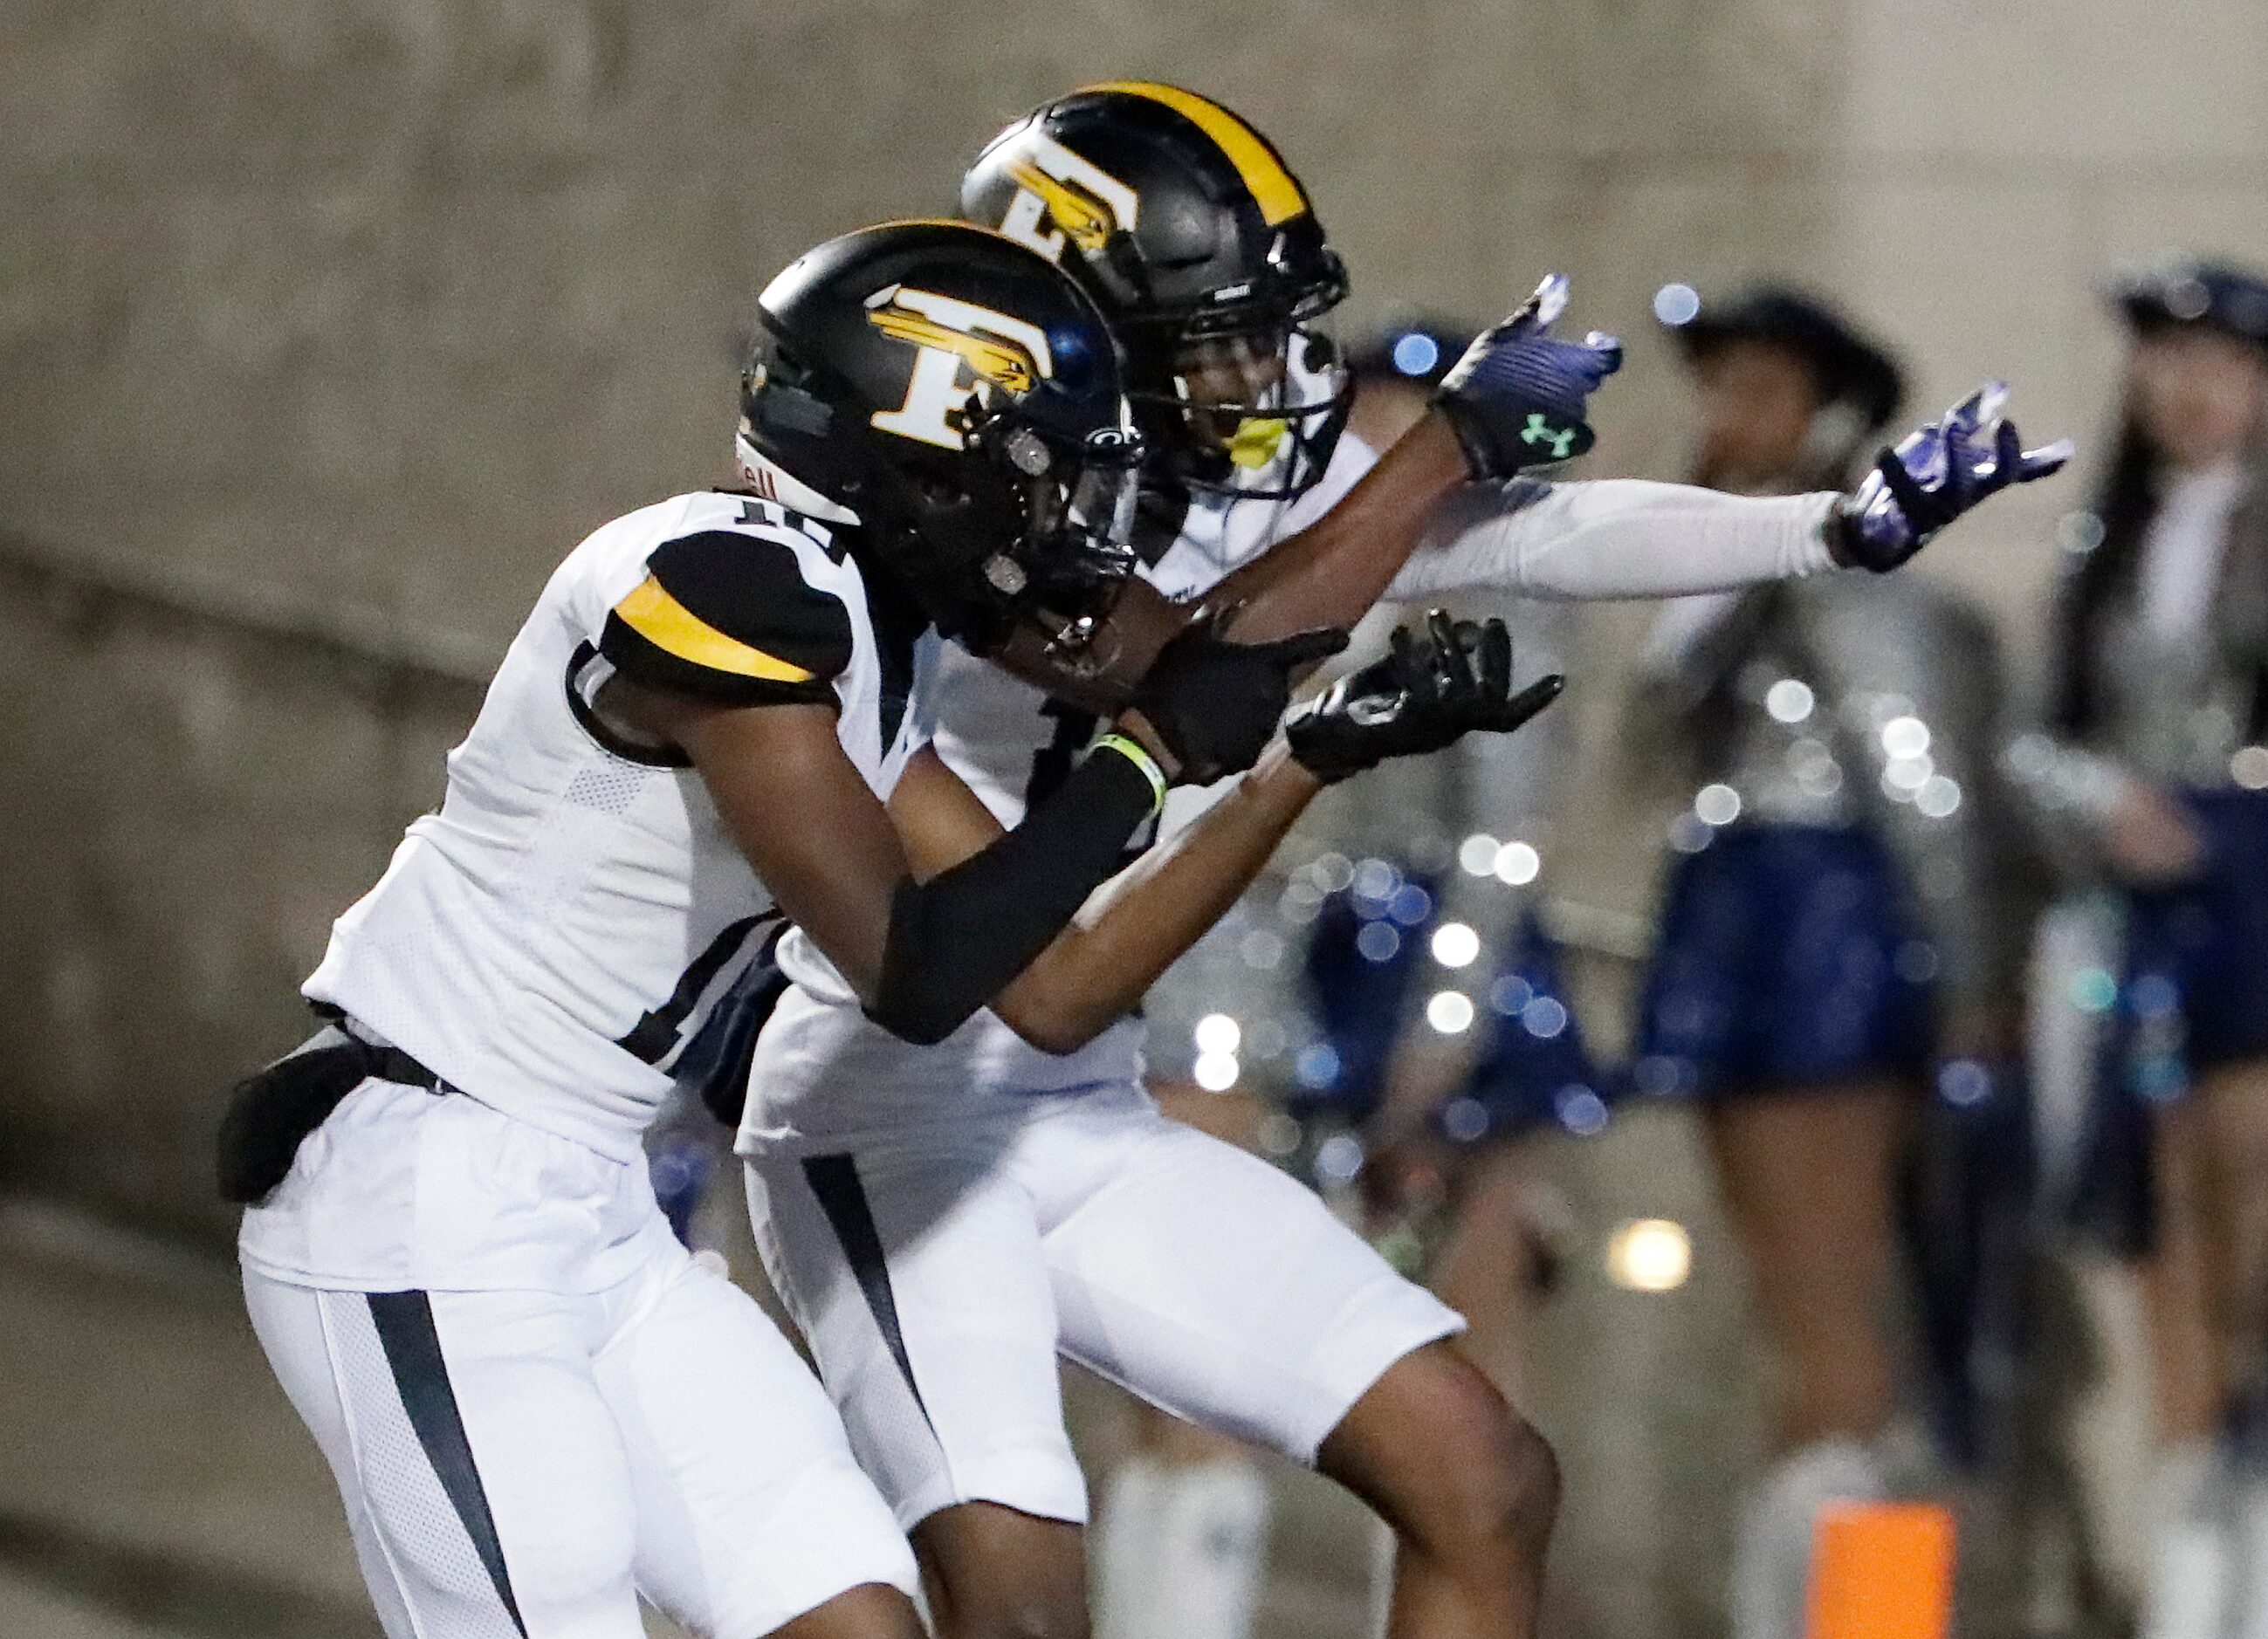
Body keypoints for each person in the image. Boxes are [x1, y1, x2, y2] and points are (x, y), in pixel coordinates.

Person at [736, 85, 2067, 1639]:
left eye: (1274, 330)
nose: (1271, 379)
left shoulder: (1165, 475)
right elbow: (1182, 668)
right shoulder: (924, 512)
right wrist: (1427, 460)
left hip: (1075, 1095)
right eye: (1217, 338)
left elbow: (1520, 535)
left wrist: (1825, 532)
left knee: (1481, 1469)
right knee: (1023, 1611)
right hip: (895, 1118)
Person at [218, 218, 1556, 1639]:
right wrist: (1151, 754)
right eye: (1038, 474)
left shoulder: (868, 625)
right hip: (424, 1195)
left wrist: (1308, 734)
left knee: (857, 1619)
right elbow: (917, 967)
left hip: (590, 1208)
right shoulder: (724, 584)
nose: (1068, 523)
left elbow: (1141, 760)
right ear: (921, 452)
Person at [1625, 285, 2038, 1639]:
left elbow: (1927, 795)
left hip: (1824, 929)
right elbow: (1648, 744)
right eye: (1718, 387)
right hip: (1742, 912)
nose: (1725, 417)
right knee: (1790, 1301)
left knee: (1836, 1311)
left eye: (1759, 390)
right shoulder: (1709, 579)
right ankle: (1805, 1598)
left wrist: (1969, 986)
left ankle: (1855, 1615)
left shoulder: (1856, 584)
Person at [2003, 256, 2268, 1639]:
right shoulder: (2102, 552)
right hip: (2139, 897)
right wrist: (2103, 802)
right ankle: (2184, 1565)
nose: (2183, 388)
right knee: (2152, 1217)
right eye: (2160, 359)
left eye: (2216, 359)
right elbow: (2038, 735)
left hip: (2256, 892)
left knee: (2249, 1211)